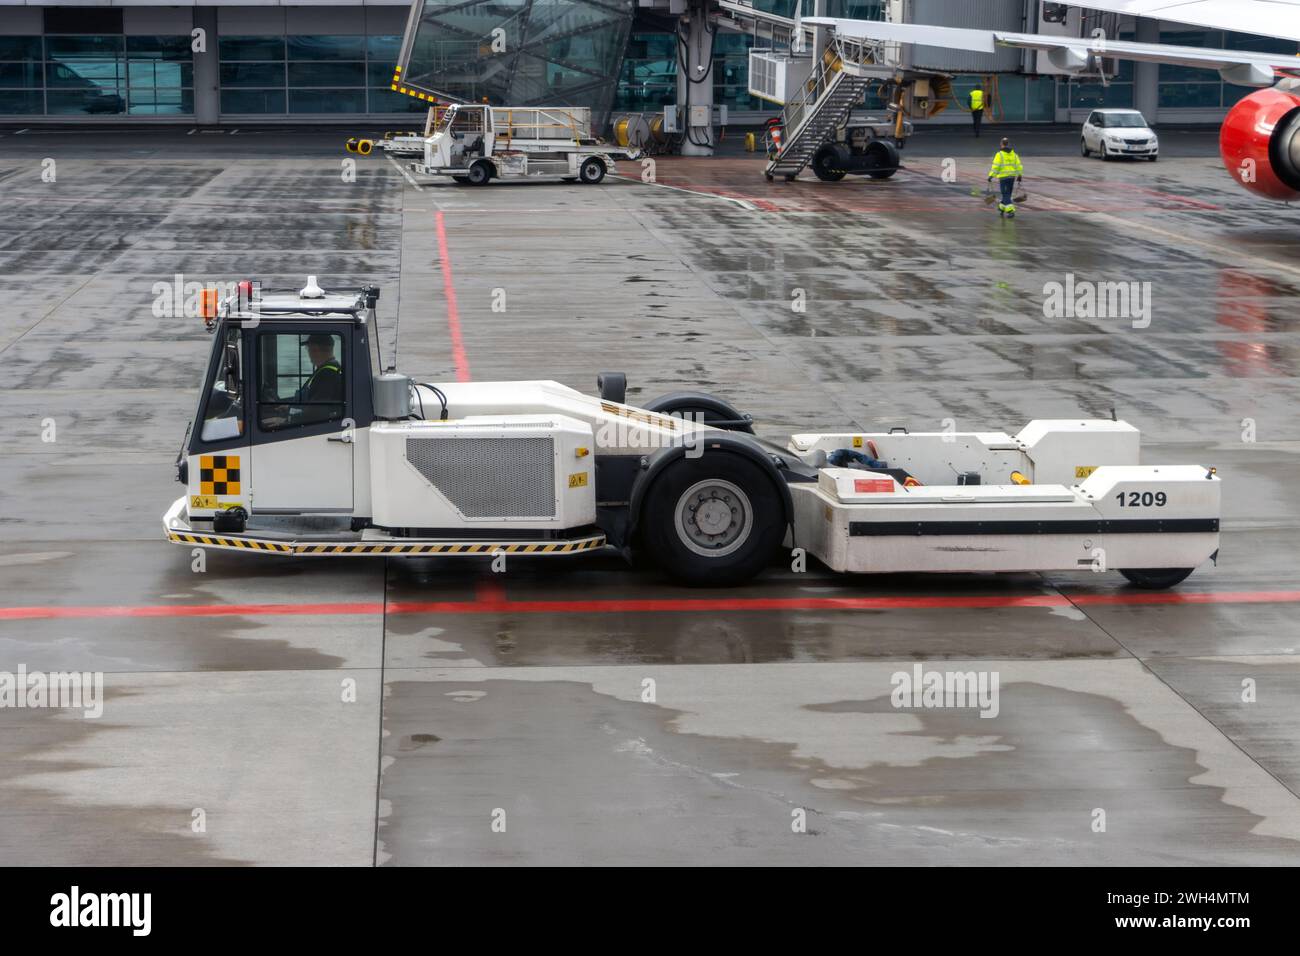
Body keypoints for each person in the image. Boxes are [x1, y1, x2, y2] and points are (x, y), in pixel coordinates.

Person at [987, 137, 1024, 218]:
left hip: (1003, 178)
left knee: (1005, 194)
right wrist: (1020, 175)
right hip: (1012, 177)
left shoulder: (999, 154)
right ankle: (1002, 207)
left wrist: (991, 176)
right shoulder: (1014, 155)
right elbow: (1019, 166)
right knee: (1008, 193)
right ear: (1008, 144)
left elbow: (995, 167)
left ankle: (1011, 211)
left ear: (1001, 144)